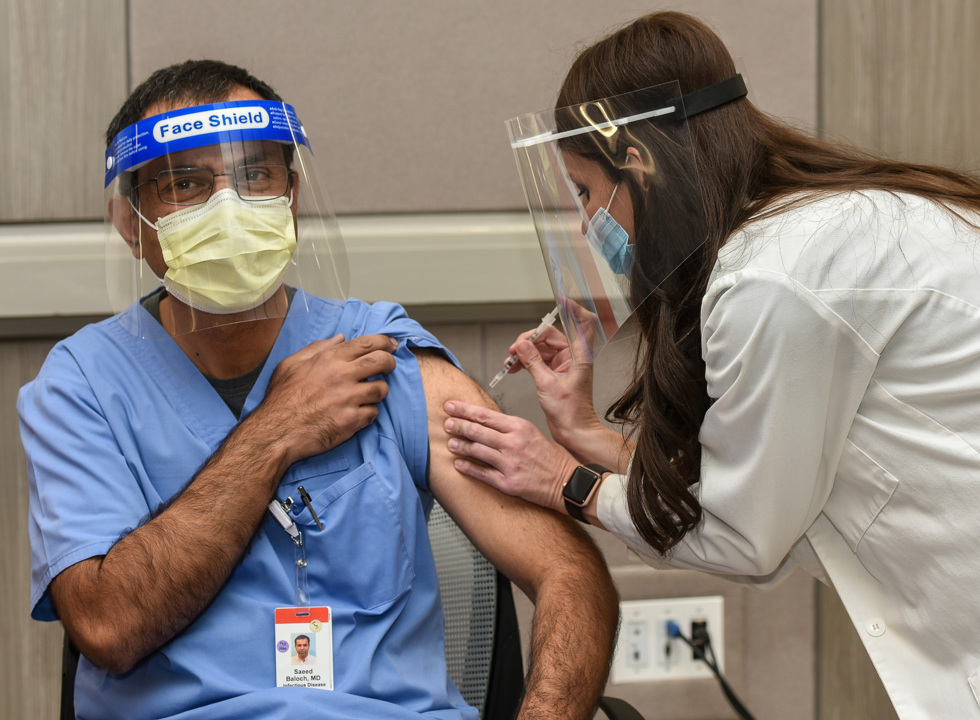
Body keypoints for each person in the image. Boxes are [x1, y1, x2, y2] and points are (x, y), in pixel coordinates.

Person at [19, 59, 619, 720]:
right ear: (131, 221)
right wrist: (276, 428)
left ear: (292, 196)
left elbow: (570, 573)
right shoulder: (83, 387)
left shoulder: (380, 352)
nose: (231, 207)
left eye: (255, 176)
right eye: (185, 183)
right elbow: (108, 627)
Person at [444, 10, 980, 719]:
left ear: (636, 158)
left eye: (583, 192)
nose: (586, 224)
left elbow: (746, 537)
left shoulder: (774, 277)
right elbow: (756, 489)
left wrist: (564, 482)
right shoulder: (823, 225)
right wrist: (588, 434)